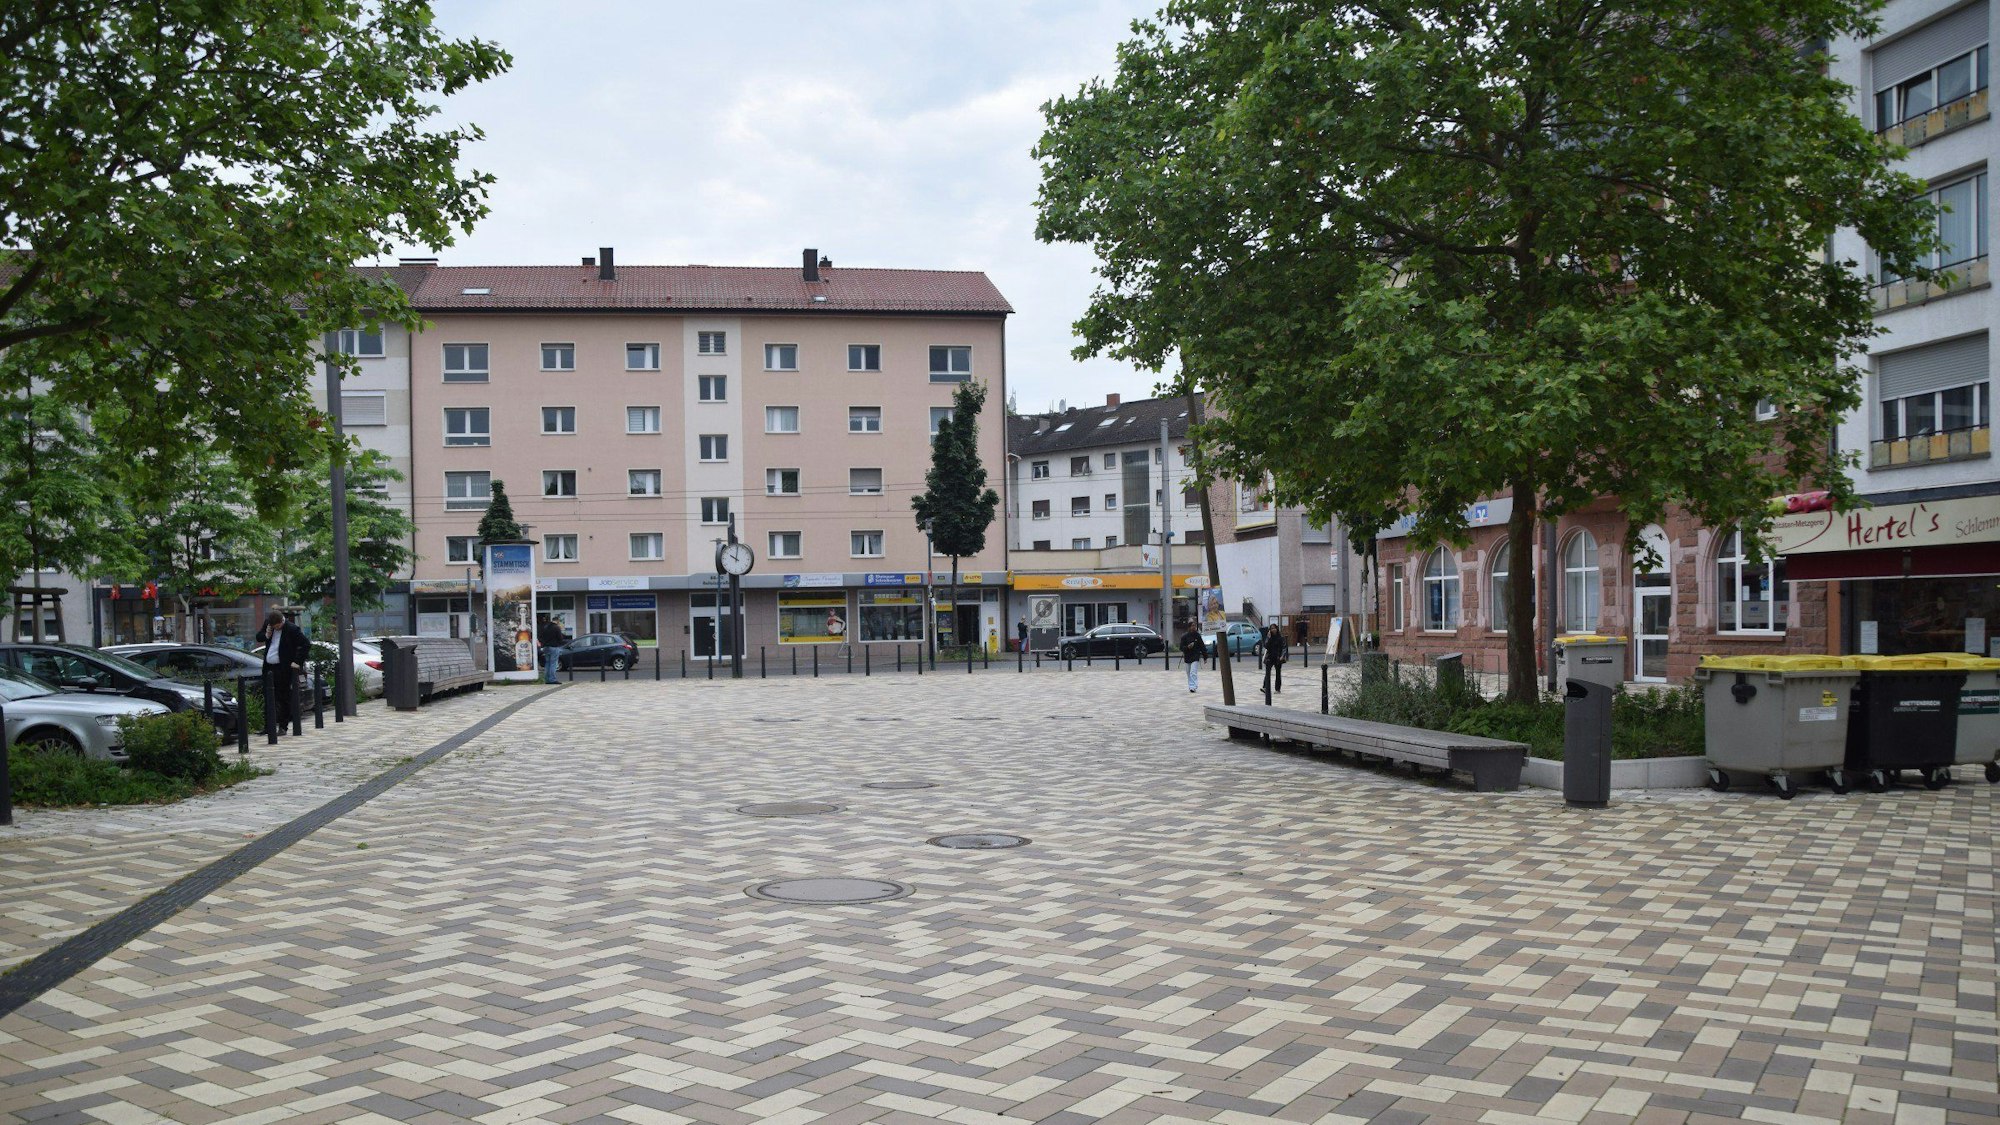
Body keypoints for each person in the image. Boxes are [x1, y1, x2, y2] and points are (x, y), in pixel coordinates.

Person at [254, 610, 310, 734]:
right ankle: (268, 726)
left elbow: (306, 644)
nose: (276, 628)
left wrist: (297, 661)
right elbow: (258, 637)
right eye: (274, 627)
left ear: (282, 621)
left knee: (283, 698)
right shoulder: (269, 624)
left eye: (277, 626)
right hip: (269, 667)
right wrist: (267, 635)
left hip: (283, 668)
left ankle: (283, 726)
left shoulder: (292, 629)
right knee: (268, 697)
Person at [538, 615, 569, 684]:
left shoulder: (545, 627)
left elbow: (540, 637)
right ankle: (552, 679)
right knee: (553, 664)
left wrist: (544, 643)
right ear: (557, 621)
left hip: (546, 647)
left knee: (547, 663)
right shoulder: (556, 627)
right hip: (554, 647)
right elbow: (560, 638)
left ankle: (547, 679)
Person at [1262, 622, 1289, 694]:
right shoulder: (1269, 637)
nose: (1273, 630)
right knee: (1267, 673)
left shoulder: (1281, 637)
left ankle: (1277, 689)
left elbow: (1284, 647)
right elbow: (1266, 646)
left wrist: (1282, 656)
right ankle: (1265, 687)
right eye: (1271, 629)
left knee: (1278, 673)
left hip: (1278, 657)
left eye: (1274, 628)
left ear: (1277, 629)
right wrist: (1268, 638)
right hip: (1270, 657)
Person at [1178, 621, 1205, 693]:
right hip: (1187, 656)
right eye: (1192, 626)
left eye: (1195, 626)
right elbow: (1181, 647)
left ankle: (1193, 686)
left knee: (1193, 672)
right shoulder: (1184, 636)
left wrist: (1205, 656)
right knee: (1188, 672)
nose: (1194, 627)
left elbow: (1202, 646)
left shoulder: (1197, 636)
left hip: (1195, 656)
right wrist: (1187, 647)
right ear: (1189, 627)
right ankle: (1190, 686)